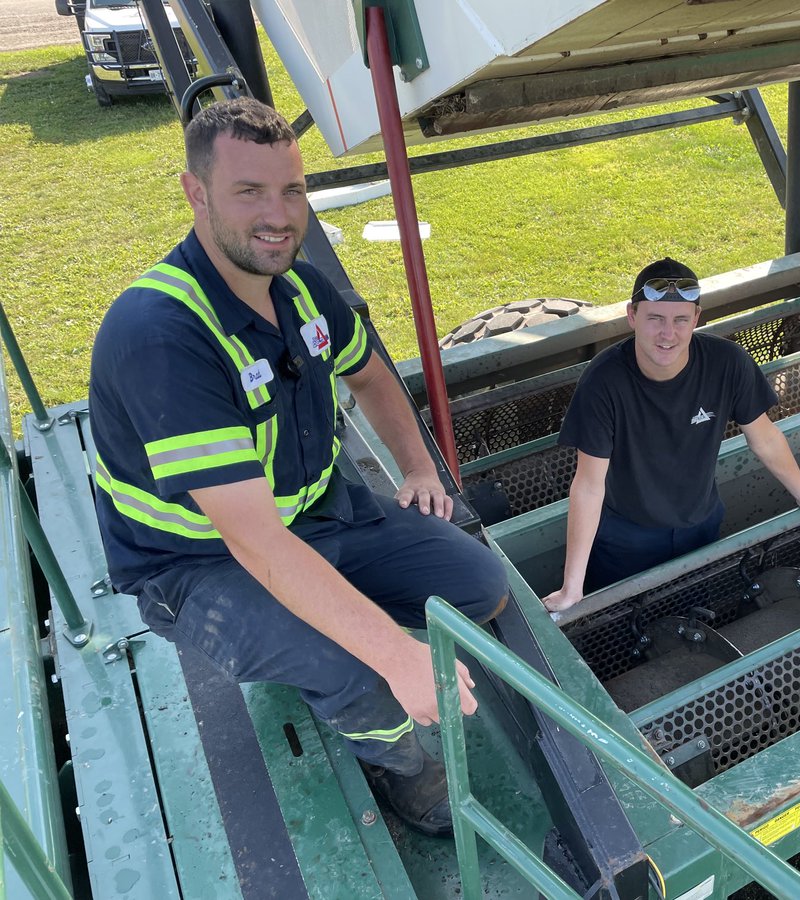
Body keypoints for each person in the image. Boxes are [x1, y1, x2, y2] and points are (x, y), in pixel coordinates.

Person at [88, 97, 509, 837]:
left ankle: (326, 634)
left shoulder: (303, 291)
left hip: (319, 513)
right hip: (198, 564)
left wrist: (419, 468)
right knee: (363, 670)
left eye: (291, 190)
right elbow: (255, 541)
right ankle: (396, 761)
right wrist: (390, 653)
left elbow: (373, 376)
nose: (278, 214)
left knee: (480, 585)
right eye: (248, 191)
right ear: (196, 192)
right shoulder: (162, 334)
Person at [542, 257, 800, 613]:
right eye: (655, 319)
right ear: (632, 316)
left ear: (696, 319)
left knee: (696, 612)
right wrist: (571, 587)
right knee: (623, 628)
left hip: (701, 527)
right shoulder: (603, 381)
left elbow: (764, 438)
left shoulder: (727, 362)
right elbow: (589, 484)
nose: (668, 334)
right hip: (626, 539)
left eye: (680, 320)